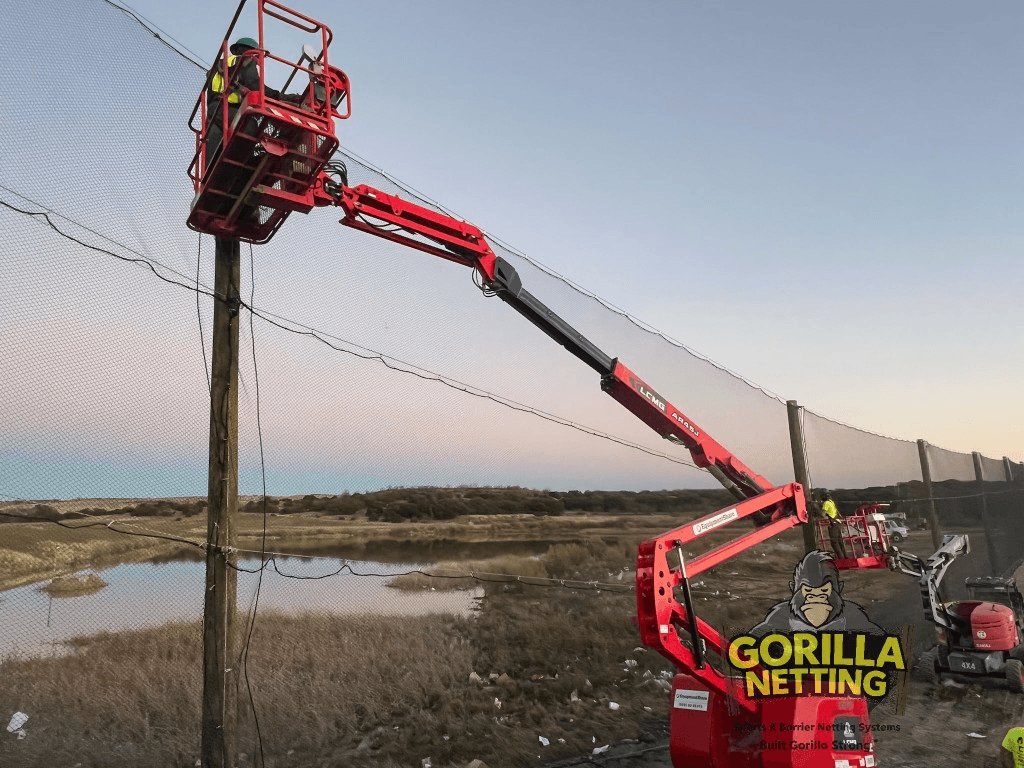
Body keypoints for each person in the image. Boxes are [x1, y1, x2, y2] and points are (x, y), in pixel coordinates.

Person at [821, 491, 848, 559]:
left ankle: (841, 558)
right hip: (838, 523)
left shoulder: (826, 503)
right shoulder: (832, 502)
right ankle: (845, 557)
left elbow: (822, 514)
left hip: (833, 524)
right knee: (840, 541)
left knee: (834, 542)